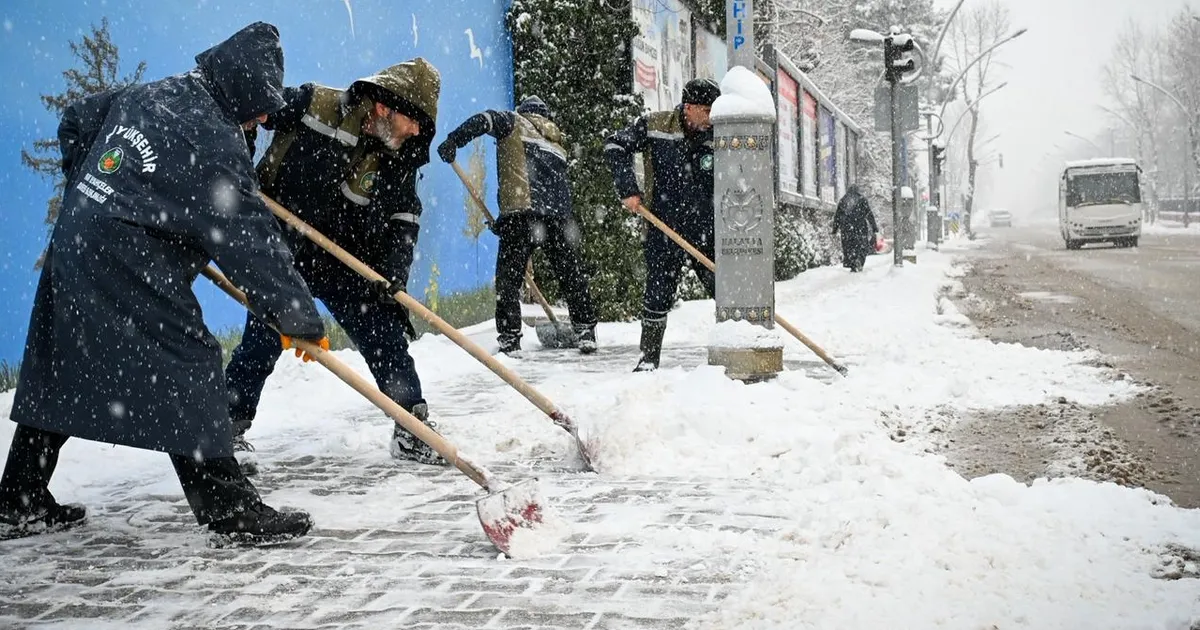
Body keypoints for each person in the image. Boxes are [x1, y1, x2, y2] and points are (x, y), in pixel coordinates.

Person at [0, 22, 327, 545]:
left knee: (64, 362)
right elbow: (249, 238)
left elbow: (75, 121)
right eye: (261, 102)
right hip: (125, 259)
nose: (265, 115)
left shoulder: (152, 92)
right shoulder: (213, 137)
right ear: (241, 86)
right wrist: (298, 317)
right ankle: (230, 512)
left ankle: (17, 500)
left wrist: (97, 194)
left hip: (78, 239)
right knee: (189, 360)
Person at [223, 58, 445, 469]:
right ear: (385, 107)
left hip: (343, 259)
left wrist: (394, 274)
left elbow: (403, 218)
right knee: (263, 338)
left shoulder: (398, 154)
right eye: (414, 121)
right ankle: (225, 430)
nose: (417, 132)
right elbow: (248, 112)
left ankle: (412, 428)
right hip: (284, 248)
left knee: (383, 333)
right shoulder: (314, 105)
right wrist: (240, 171)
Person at [436, 96, 598, 355]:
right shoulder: (556, 141)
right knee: (570, 274)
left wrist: (455, 139)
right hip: (559, 217)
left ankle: (510, 338)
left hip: (523, 215)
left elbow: (483, 120)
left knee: (509, 280)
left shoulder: (513, 121)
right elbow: (544, 187)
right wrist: (505, 222)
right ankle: (586, 330)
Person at [604, 78, 720, 372]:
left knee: (724, 289)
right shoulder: (656, 126)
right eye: (706, 111)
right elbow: (615, 146)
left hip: (706, 228)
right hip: (664, 225)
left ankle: (737, 348)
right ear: (689, 107)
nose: (710, 117)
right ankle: (648, 359)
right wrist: (628, 189)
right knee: (658, 291)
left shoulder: (722, 132)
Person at [833, 184, 879, 272]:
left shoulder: (843, 200)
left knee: (849, 247)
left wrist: (835, 229)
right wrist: (874, 227)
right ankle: (859, 260)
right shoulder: (862, 200)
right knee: (861, 246)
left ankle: (853, 262)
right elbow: (869, 214)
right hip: (860, 228)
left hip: (847, 229)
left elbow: (837, 216)